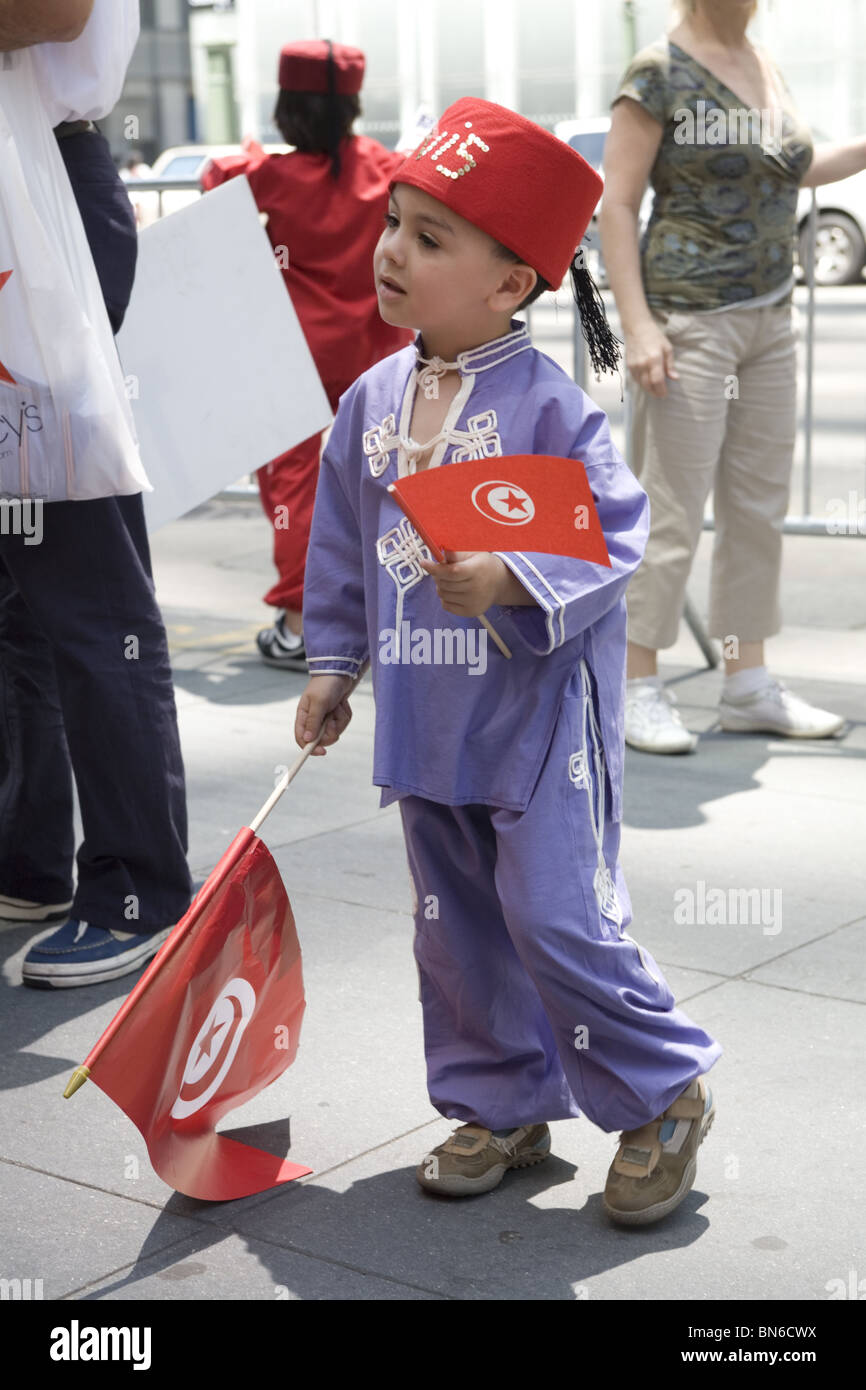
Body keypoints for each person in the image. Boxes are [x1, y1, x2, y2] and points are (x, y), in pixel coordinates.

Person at [292, 98, 721, 1226]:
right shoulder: (368, 404)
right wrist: (332, 665)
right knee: (454, 925)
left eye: (430, 238)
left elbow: (612, 528)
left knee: (555, 915)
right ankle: (500, 1103)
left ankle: (663, 1091)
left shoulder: (548, 406)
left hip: (534, 726)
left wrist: (510, 576)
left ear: (509, 284)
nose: (392, 250)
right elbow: (340, 542)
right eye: (395, 221)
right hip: (422, 723)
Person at [600, 0, 866, 754]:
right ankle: (636, 685)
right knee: (670, 507)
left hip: (769, 316)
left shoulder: (760, 60)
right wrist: (639, 325)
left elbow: (797, 166)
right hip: (689, 321)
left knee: (756, 507)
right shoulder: (657, 72)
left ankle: (747, 682)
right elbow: (617, 204)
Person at [0, 0, 193, 987]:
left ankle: (136, 888)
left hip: (35, 187)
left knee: (81, 567)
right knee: (20, 562)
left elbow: (52, 7)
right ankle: (26, 857)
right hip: (29, 177)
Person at [201, 39, 413, 673]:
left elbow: (215, 178)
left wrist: (254, 155)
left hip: (292, 352)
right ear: (352, 106)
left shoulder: (269, 176)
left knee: (294, 484)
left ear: (287, 107)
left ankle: (300, 626)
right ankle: (396, 616)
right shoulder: (387, 168)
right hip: (377, 349)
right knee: (388, 480)